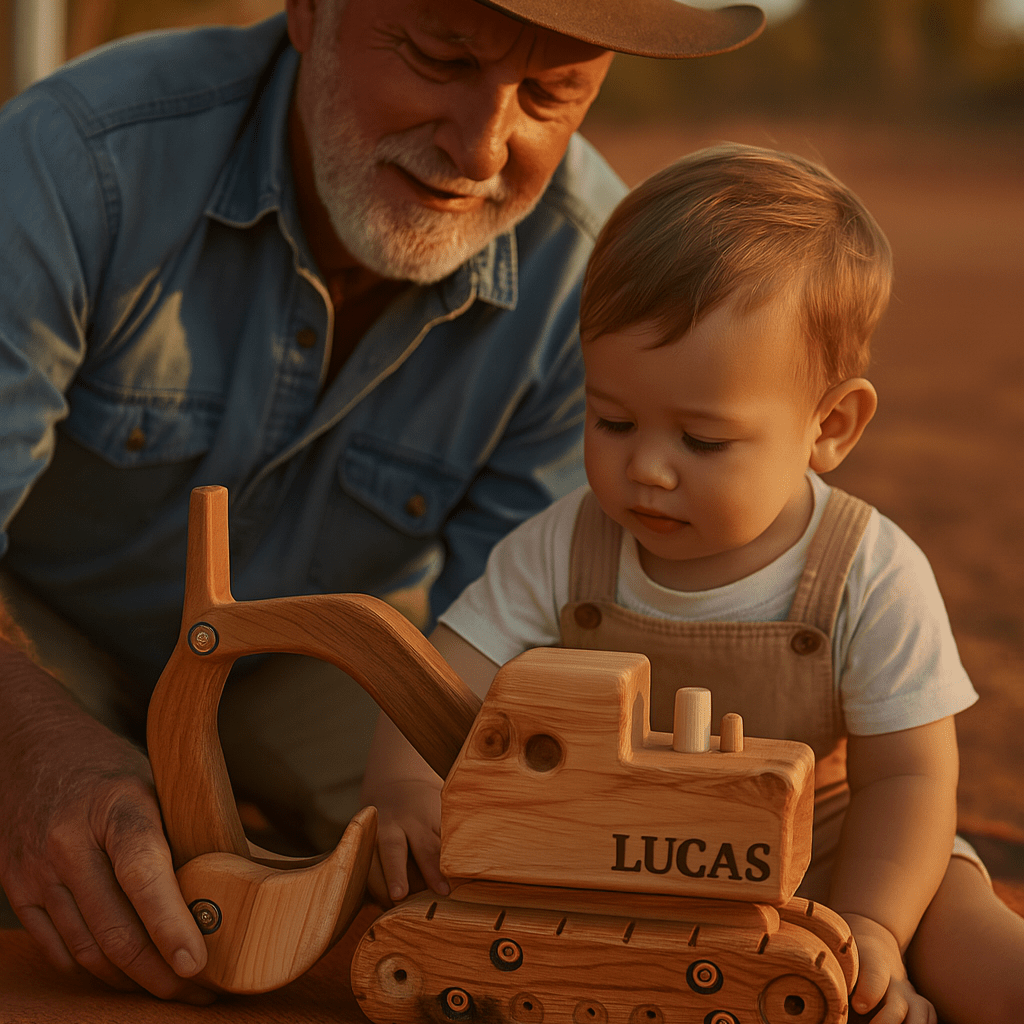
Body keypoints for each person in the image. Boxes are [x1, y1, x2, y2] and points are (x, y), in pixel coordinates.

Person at [0, 0, 766, 1004]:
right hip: (34, 634)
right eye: (441, 57)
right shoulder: (79, 159)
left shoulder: (590, 289)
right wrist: (28, 748)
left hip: (333, 658)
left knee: (507, 863)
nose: (482, 147)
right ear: (311, 11)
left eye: (549, 95)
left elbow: (525, 663)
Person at [361, 143, 1024, 1024]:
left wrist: (872, 925)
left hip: (833, 855)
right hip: (612, 854)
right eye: (613, 420)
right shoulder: (562, 549)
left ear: (831, 426)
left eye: (702, 441)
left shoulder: (868, 571)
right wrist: (406, 790)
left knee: (978, 954)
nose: (647, 468)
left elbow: (907, 779)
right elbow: (438, 688)